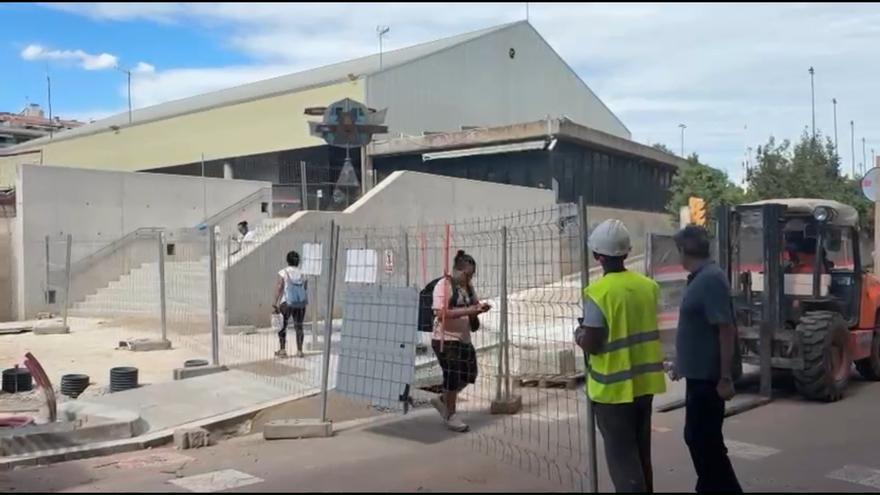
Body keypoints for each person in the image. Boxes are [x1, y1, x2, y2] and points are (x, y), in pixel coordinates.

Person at [574, 219, 667, 493]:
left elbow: (592, 342)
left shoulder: (599, 292)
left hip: (612, 391)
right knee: (640, 454)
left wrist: (578, 334)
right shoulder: (648, 287)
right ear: (627, 253)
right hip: (644, 385)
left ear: (597, 256)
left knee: (622, 458)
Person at [671, 225, 742, 494]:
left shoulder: (710, 279)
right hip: (698, 375)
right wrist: (682, 363)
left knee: (704, 441)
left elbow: (725, 328)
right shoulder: (701, 277)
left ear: (683, 250)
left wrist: (725, 377)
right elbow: (699, 330)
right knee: (701, 441)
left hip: (709, 379)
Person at [429, 250, 491, 433]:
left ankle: (443, 400)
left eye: (471, 275)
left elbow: (473, 308)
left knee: (469, 374)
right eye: (467, 275)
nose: (469, 278)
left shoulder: (468, 288)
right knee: (453, 375)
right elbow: (440, 314)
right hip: (446, 339)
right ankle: (451, 414)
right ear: (458, 270)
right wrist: (469, 311)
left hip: (464, 338)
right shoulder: (444, 286)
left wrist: (478, 310)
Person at [272, 250, 308, 358]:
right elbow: (305, 288)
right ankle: (300, 351)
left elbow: (280, 287)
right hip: (300, 303)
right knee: (299, 326)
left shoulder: (284, 272)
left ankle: (282, 350)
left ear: (288, 261)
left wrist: (275, 301)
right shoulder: (303, 273)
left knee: (283, 326)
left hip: (287, 302)